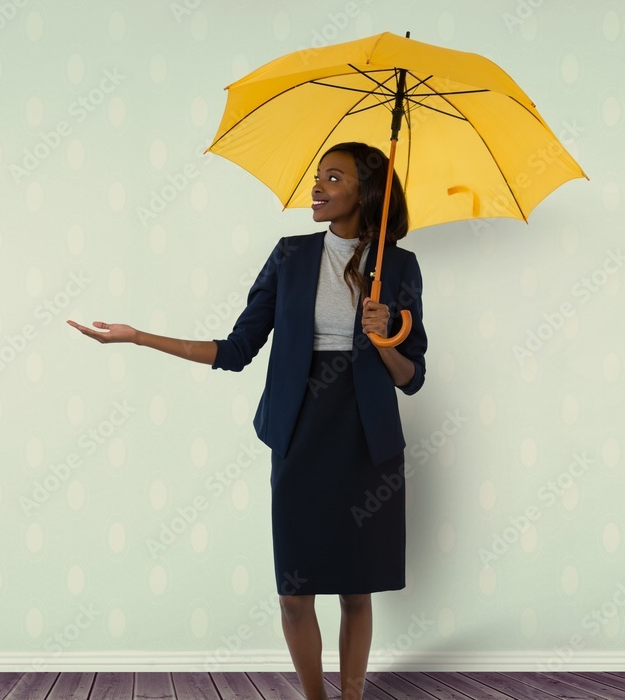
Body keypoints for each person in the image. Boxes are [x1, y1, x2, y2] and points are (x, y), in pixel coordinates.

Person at [67, 142, 427, 700]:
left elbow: (410, 376)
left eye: (333, 178)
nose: (317, 187)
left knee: (358, 591)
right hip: (300, 431)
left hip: (366, 438)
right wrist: (139, 337)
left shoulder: (398, 265)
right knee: (294, 592)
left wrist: (385, 337)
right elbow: (235, 350)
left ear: (366, 192)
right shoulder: (290, 256)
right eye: (317, 177)